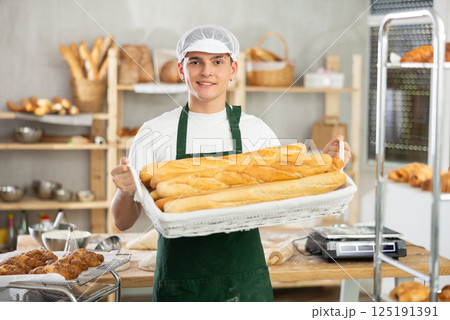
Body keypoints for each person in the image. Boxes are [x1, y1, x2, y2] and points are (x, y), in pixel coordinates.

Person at [110, 25, 351, 302]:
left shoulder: (256, 131)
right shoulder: (154, 133)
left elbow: (294, 194)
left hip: (245, 277)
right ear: (181, 69)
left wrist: (331, 164)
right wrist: (125, 190)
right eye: (195, 61)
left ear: (233, 70)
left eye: (218, 62)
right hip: (180, 282)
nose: (207, 72)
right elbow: (122, 222)